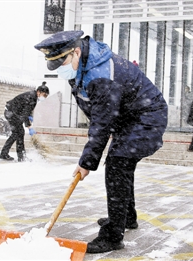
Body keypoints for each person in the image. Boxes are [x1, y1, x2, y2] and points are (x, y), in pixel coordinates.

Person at [34, 30, 168, 253]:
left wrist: (87, 161)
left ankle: (113, 237)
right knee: (121, 164)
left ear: (76, 51)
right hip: (130, 118)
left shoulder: (100, 74)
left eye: (63, 61)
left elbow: (101, 120)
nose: (61, 68)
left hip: (147, 117)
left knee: (118, 165)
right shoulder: (82, 66)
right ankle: (126, 218)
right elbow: (98, 112)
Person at [0, 84, 49, 162]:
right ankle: (20, 157)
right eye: (44, 95)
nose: (45, 97)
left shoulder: (33, 96)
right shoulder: (32, 97)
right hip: (11, 113)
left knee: (16, 133)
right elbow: (25, 113)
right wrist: (29, 126)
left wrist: (29, 117)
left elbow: (26, 111)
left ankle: (5, 154)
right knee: (20, 133)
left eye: (46, 96)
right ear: (38, 92)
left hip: (12, 113)